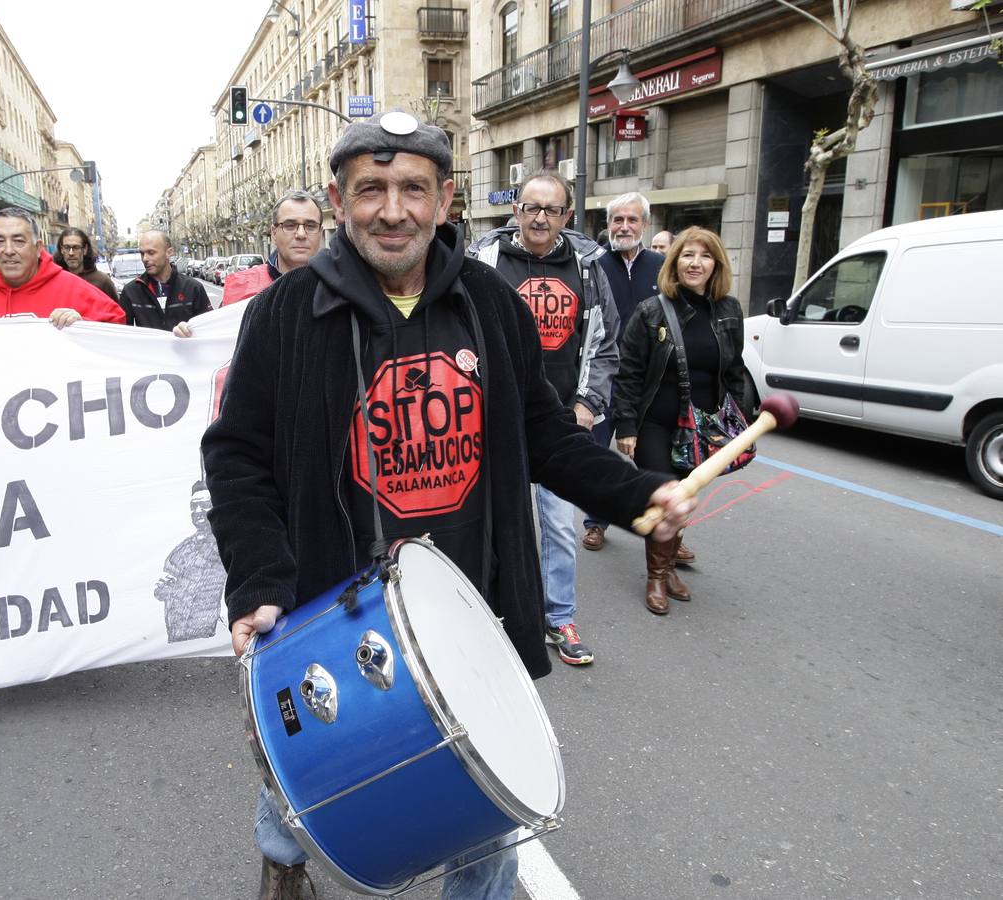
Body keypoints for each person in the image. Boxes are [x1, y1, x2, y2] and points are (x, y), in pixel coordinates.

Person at [202, 113, 693, 899]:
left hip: (473, 600)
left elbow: (545, 434)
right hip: (335, 600)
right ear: (339, 200)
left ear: (445, 199)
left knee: (485, 793)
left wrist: (638, 493)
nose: (393, 210)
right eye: (371, 189)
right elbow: (237, 457)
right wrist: (259, 579)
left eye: (413, 189)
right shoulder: (286, 314)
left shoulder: (491, 304)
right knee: (305, 754)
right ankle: (283, 854)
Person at [469, 172, 618, 666]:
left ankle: (560, 618)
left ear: (567, 216)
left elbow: (604, 345)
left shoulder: (587, 268)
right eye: (531, 207)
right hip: (495, 421)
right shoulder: (485, 263)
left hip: (558, 422)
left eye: (551, 210)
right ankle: (486, 616)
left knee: (558, 528)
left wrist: (586, 406)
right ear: (516, 210)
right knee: (490, 523)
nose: (539, 218)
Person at [613, 226, 747, 615]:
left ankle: (669, 566)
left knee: (685, 496)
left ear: (716, 265)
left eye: (705, 256)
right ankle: (657, 577)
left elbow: (734, 372)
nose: (695, 263)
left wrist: (738, 425)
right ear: (675, 262)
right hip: (655, 423)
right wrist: (626, 426)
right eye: (688, 255)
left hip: (704, 427)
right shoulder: (651, 311)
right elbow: (629, 373)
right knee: (666, 493)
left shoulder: (729, 310)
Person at [580, 193, 668, 554]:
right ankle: (595, 522)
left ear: (645, 224)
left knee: (654, 459)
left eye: (632, 220)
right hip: (605, 379)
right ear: (608, 224)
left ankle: (665, 533)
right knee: (597, 457)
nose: (625, 227)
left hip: (647, 383)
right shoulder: (594, 265)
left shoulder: (662, 266)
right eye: (618, 220)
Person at [0, 207, 125, 328]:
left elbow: (119, 329)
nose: (8, 250)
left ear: (38, 248)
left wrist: (84, 325)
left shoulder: (74, 289)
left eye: (18, 241)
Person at [221, 189, 324, 305]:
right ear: (274, 233)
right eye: (290, 225)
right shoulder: (241, 290)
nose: (301, 234)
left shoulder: (337, 287)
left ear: (320, 233)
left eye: (310, 226)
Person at [118, 230, 211, 334]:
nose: (145, 259)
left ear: (169, 252)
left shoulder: (193, 288)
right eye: (142, 253)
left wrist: (188, 333)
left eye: (151, 253)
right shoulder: (130, 291)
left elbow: (209, 328)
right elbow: (123, 334)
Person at [53, 227, 119, 300]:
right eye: (66, 247)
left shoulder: (102, 281)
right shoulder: (54, 281)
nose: (71, 253)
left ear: (85, 249)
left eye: (76, 247)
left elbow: (115, 306)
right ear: (61, 249)